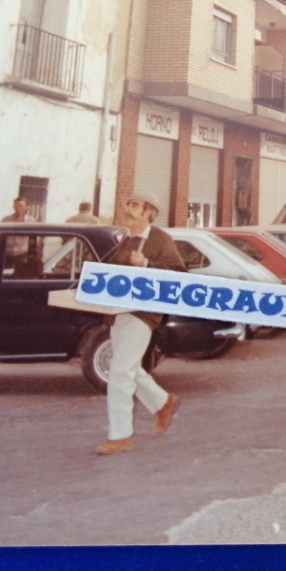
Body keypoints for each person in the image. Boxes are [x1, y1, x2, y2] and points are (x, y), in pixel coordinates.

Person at [94, 191, 187, 456]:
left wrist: (146, 263)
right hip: (119, 312)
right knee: (127, 367)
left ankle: (120, 436)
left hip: (142, 313)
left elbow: (179, 276)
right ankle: (163, 402)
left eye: (134, 205)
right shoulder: (126, 240)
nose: (127, 208)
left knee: (120, 372)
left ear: (148, 212)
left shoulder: (160, 239)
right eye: (127, 203)